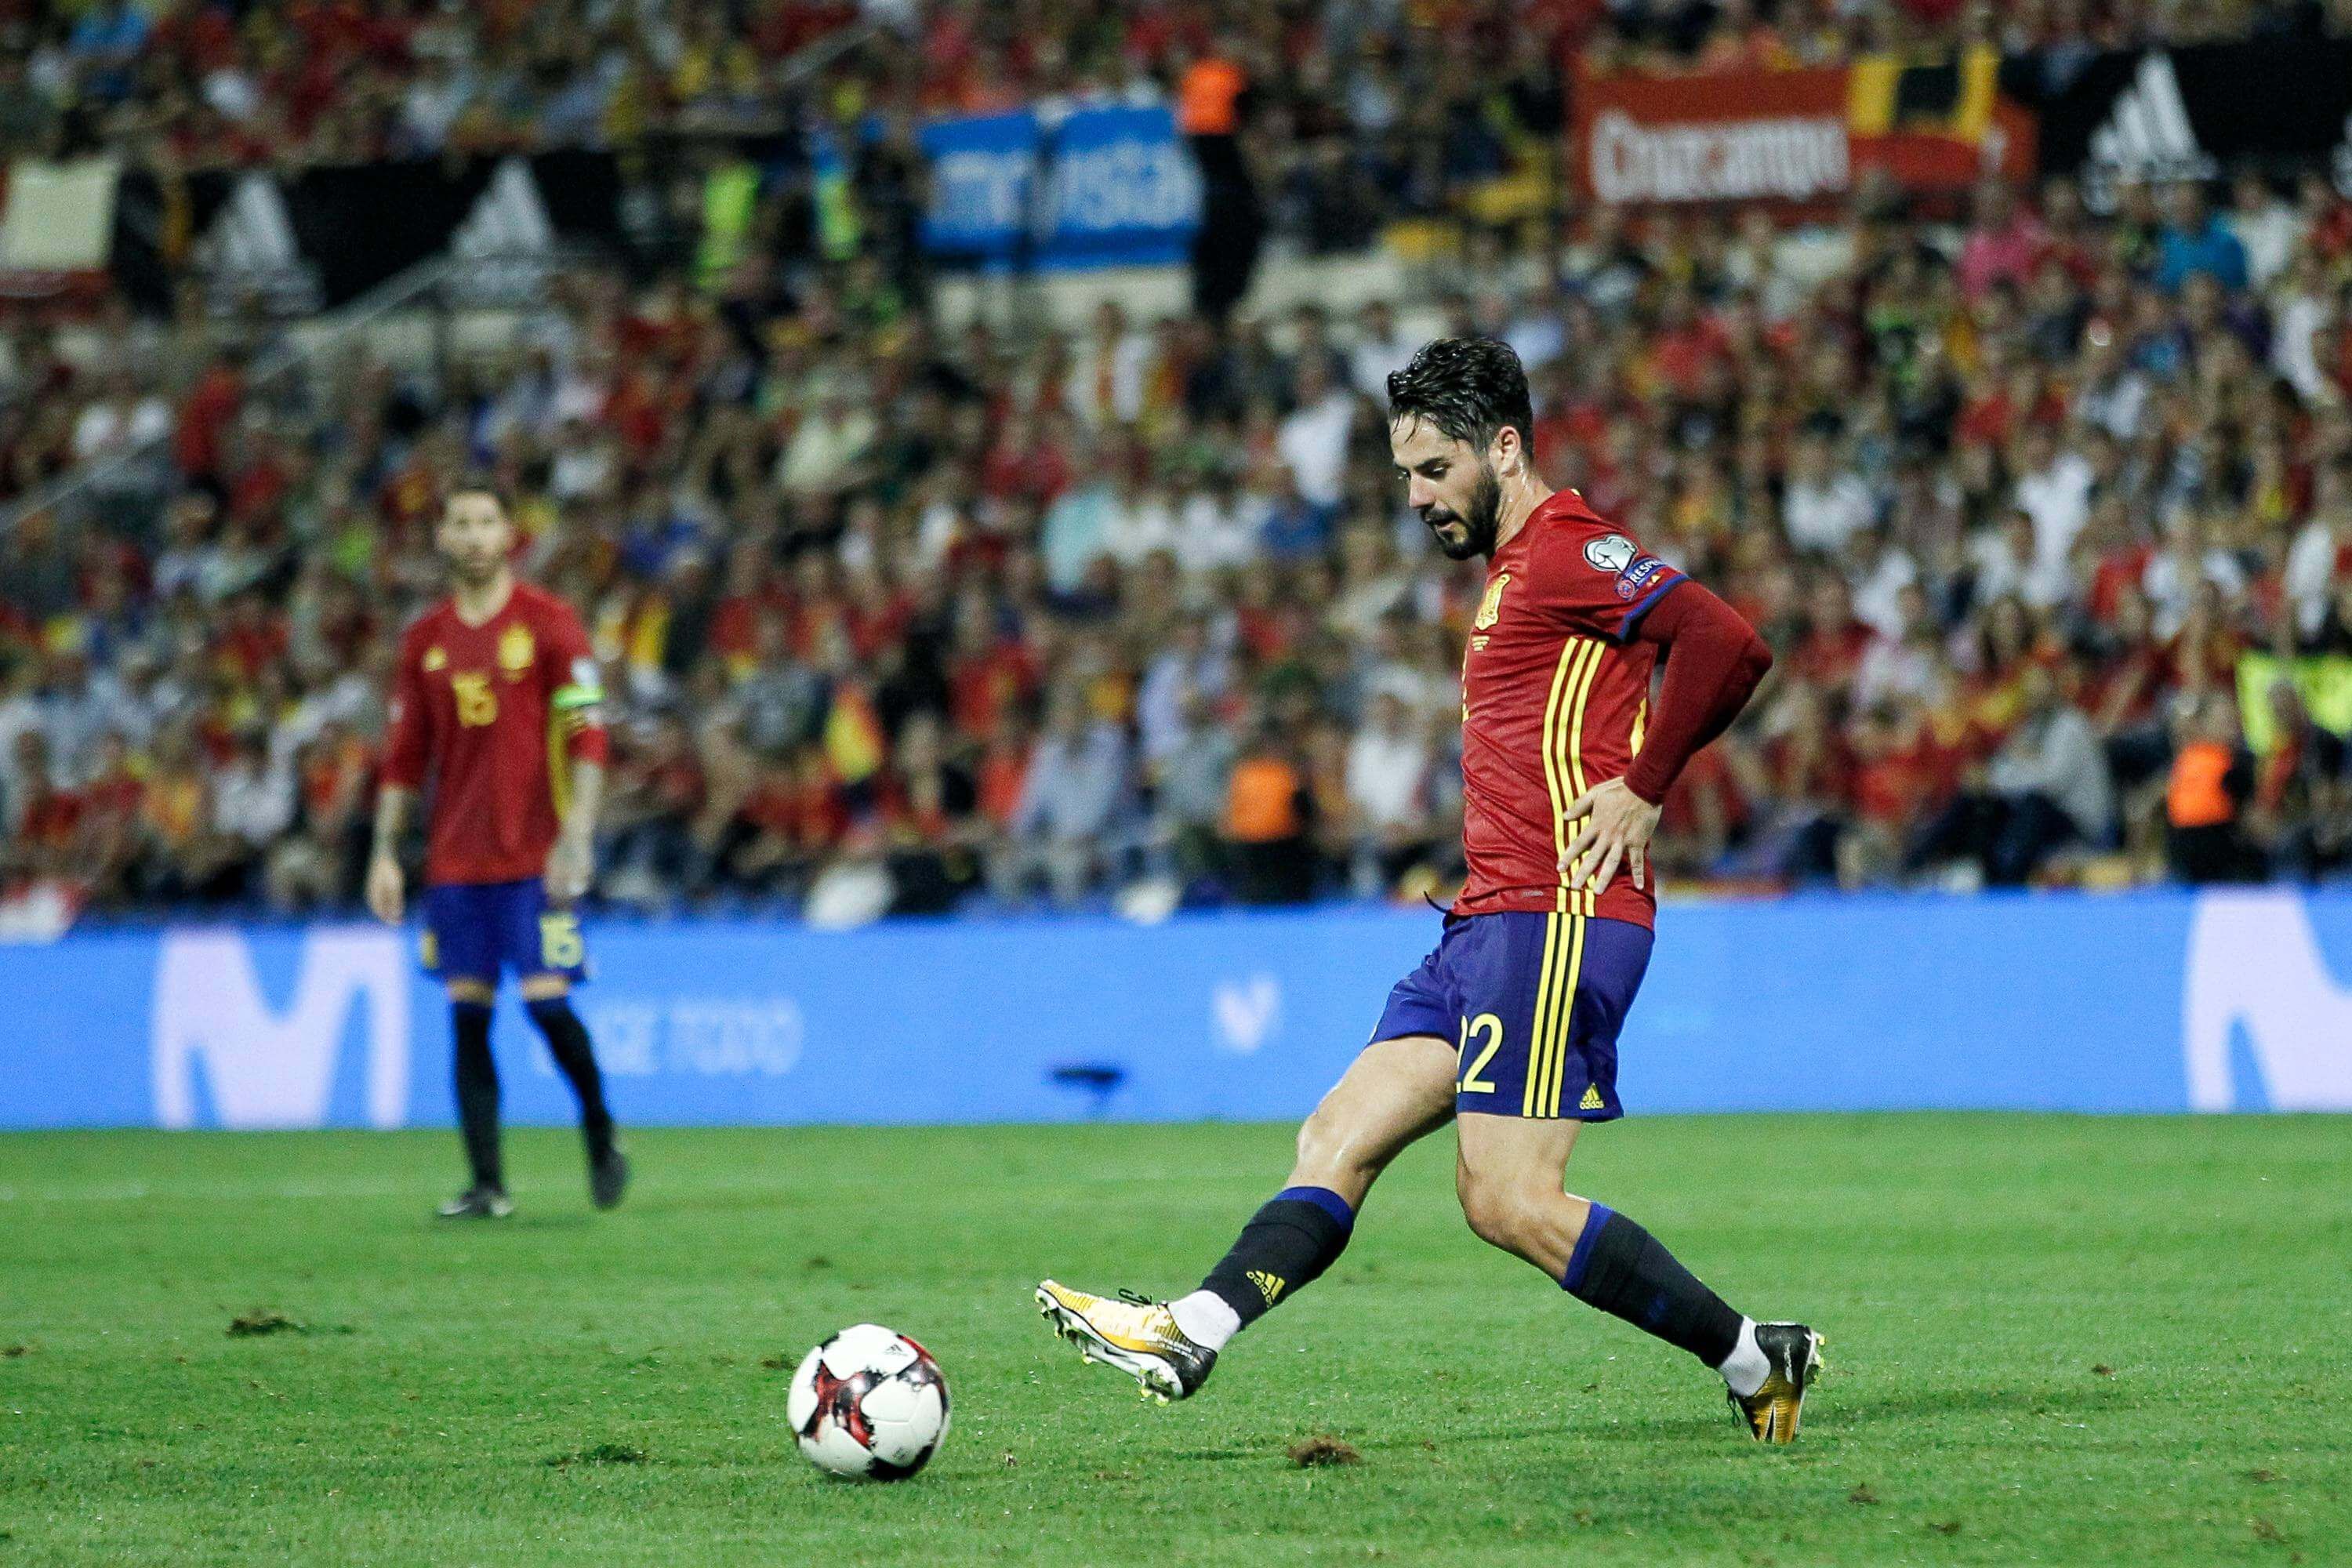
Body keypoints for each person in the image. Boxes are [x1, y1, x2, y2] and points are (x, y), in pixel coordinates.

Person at [1036, 339, 1820, 1443]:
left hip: (1557, 912)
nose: (1416, 497)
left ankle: (1753, 1358)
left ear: (1504, 448)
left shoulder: (1566, 550)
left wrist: (1645, 786)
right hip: (1483, 922)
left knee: (1505, 1198)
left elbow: (1726, 642)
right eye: (1405, 474)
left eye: (1435, 470)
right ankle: (1190, 1331)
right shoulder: (1514, 573)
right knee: (1337, 1135)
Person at [367, 487, 628, 1220]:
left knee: (547, 1006)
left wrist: (577, 835)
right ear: (442, 537)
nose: (476, 536)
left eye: (487, 522)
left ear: (510, 533)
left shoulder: (550, 622)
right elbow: (404, 758)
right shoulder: (425, 640)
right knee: (468, 1016)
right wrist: (385, 852)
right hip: (455, 864)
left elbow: (589, 736)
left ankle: (600, 1127)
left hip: (535, 857)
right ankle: (488, 1185)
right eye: (462, 524)